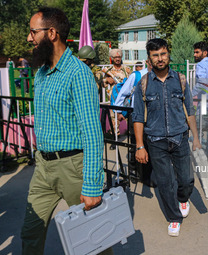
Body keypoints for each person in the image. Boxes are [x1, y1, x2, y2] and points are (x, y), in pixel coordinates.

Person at [21, 7, 112, 254]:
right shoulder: (41, 72)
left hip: (73, 167)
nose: (29, 38)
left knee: (95, 238)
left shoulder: (78, 73)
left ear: (51, 33)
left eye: (33, 31)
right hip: (43, 167)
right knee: (30, 233)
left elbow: (93, 133)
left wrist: (93, 185)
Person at [133, 38, 201, 237]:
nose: (160, 59)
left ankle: (182, 198)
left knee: (187, 180)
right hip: (155, 141)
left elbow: (189, 111)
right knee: (165, 182)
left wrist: (195, 138)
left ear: (168, 54)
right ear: (150, 59)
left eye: (163, 54)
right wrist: (139, 146)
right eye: (155, 55)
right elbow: (137, 117)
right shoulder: (143, 84)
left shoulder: (180, 80)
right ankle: (174, 218)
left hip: (180, 138)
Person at [114, 59, 154, 187]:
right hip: (135, 114)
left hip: (152, 116)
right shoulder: (136, 76)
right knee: (135, 143)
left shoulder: (160, 77)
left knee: (149, 144)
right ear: (147, 61)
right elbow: (123, 93)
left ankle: (147, 176)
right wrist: (118, 111)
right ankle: (133, 171)